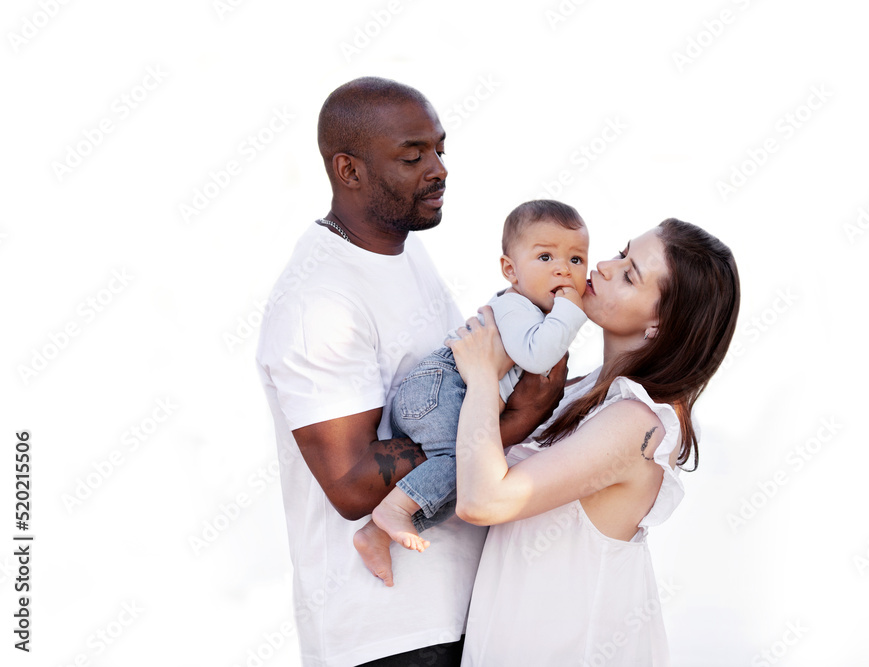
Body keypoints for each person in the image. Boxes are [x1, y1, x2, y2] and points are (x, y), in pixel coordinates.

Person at [255, 77, 565, 667]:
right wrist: (517, 417)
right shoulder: (318, 301)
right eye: (412, 155)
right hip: (390, 630)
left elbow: (453, 390)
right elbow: (349, 483)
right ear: (349, 171)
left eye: (440, 149)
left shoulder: (402, 248)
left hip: (464, 610)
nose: (439, 169)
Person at [446, 219, 741, 665]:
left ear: (661, 323)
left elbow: (484, 501)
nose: (602, 265)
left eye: (629, 273)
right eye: (621, 253)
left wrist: (483, 376)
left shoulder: (636, 423)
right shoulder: (580, 389)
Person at [353, 199, 590, 585]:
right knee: (460, 463)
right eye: (545, 257)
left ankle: (376, 532)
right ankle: (393, 510)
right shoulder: (517, 306)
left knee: (469, 480)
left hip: (446, 397)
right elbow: (537, 355)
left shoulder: (539, 315)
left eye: (576, 260)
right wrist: (572, 310)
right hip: (439, 388)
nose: (563, 268)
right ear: (510, 270)